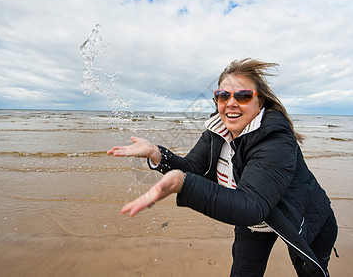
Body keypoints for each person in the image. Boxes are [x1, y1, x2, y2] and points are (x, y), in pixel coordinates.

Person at [108, 58, 338, 277]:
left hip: (303, 217)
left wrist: (183, 184)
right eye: (223, 95)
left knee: (310, 271)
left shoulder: (276, 139)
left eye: (244, 96)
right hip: (254, 226)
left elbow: (252, 205)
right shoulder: (216, 132)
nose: (231, 103)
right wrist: (156, 153)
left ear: (260, 103)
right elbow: (192, 167)